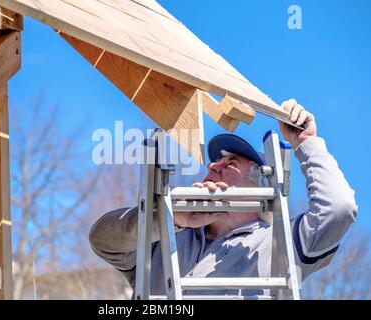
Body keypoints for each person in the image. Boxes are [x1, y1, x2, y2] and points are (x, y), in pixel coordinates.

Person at [89, 99, 357, 297]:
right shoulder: (166, 235)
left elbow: (338, 208)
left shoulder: (280, 244)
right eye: (214, 161)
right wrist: (171, 219)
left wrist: (307, 143)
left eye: (231, 162)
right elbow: (101, 239)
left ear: (260, 182)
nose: (212, 166)